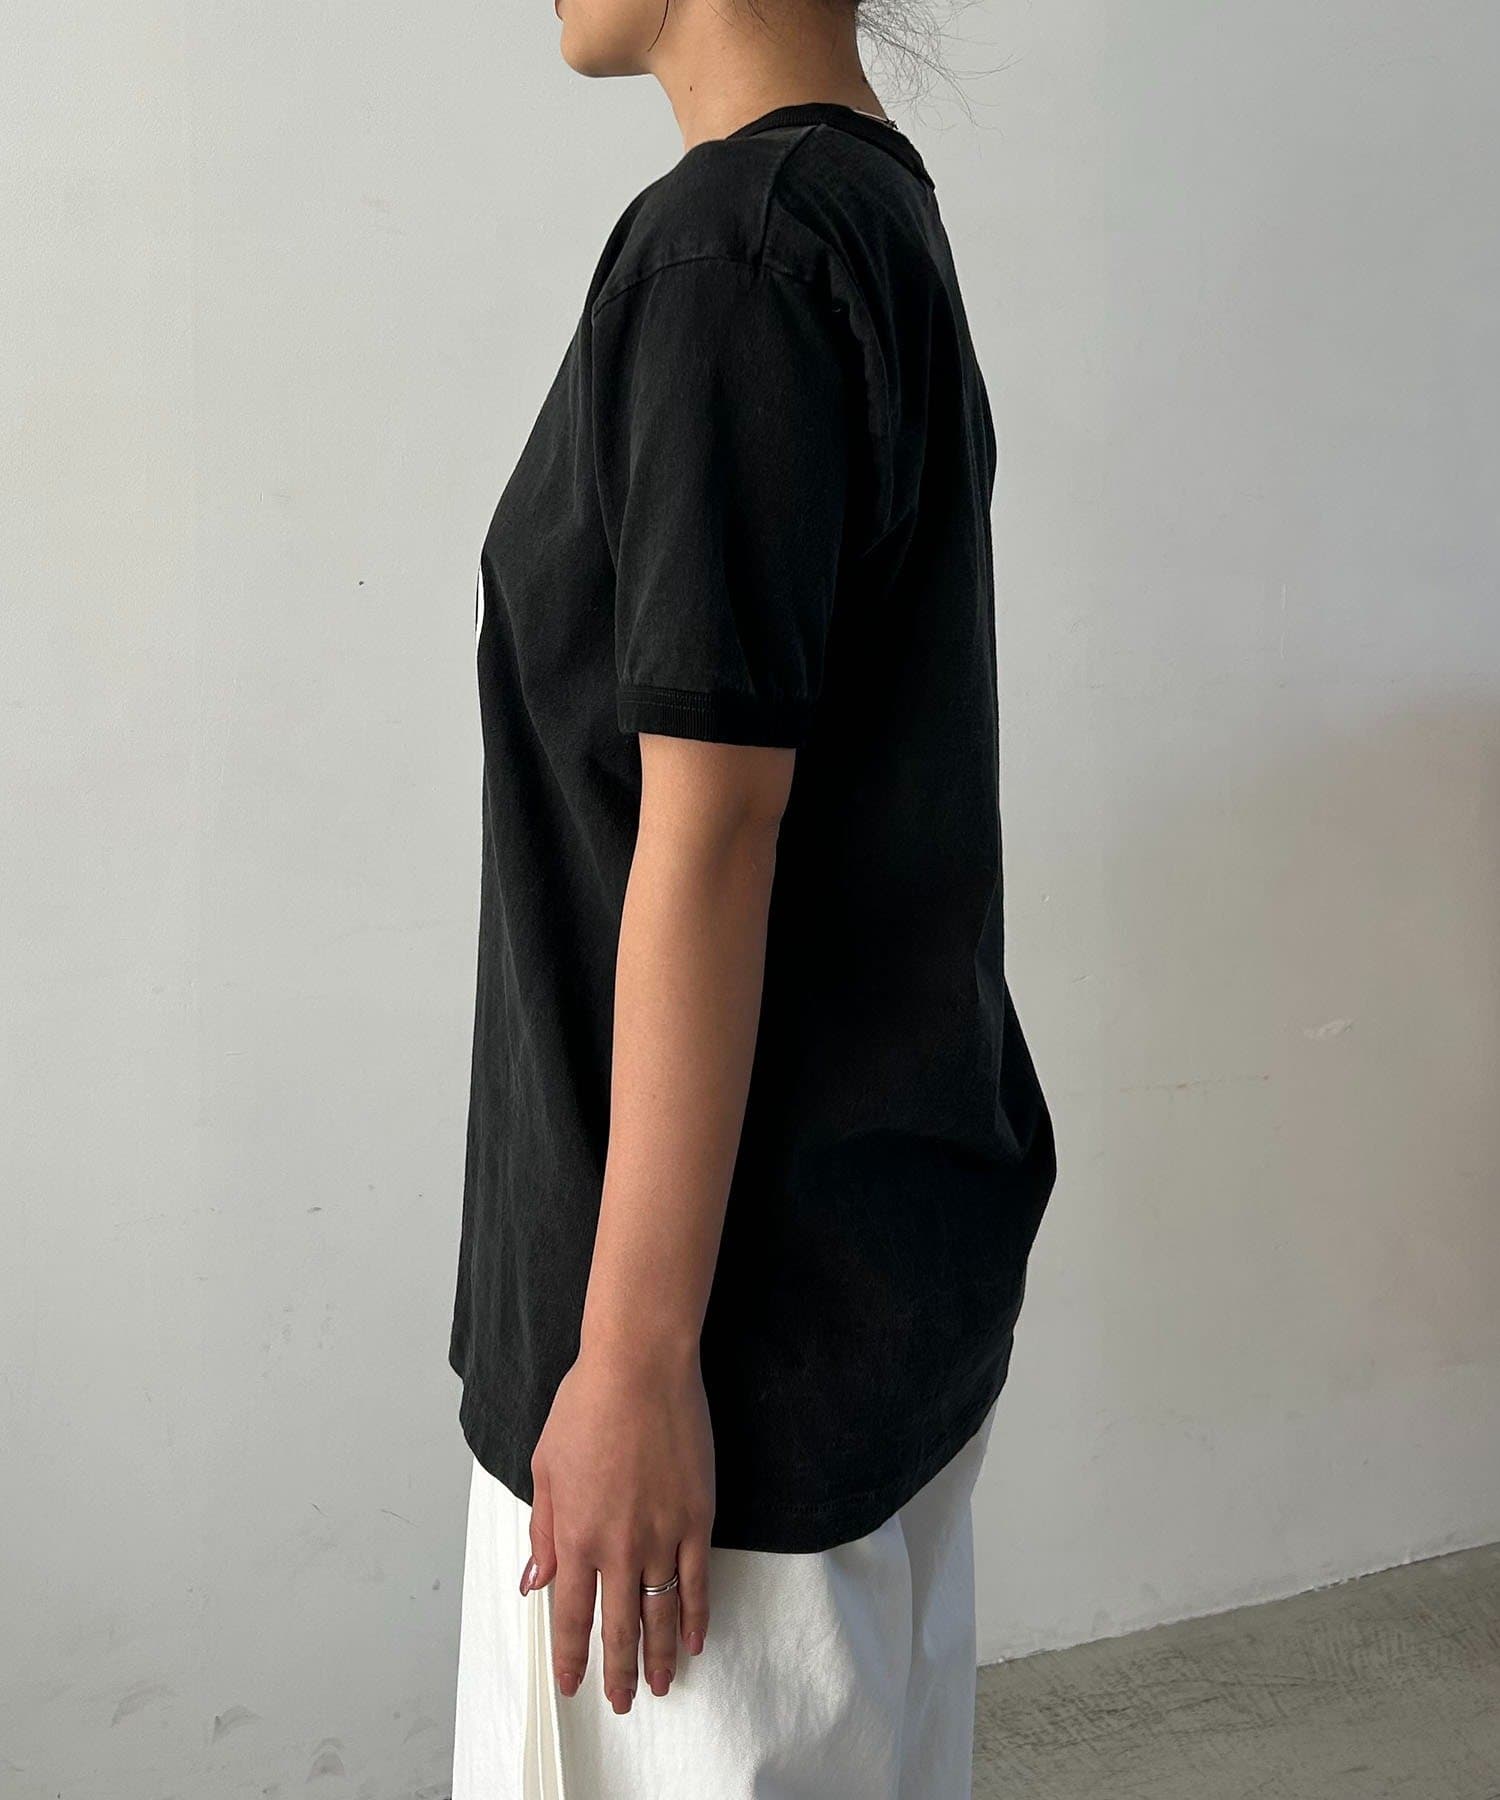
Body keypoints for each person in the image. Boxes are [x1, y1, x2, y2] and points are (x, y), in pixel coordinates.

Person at [448, 0, 1057, 1792]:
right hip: (857, 1304)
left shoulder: (731, 257)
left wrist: (633, 1359)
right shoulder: (864, 214)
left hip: (713, 1386)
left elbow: (712, 831)